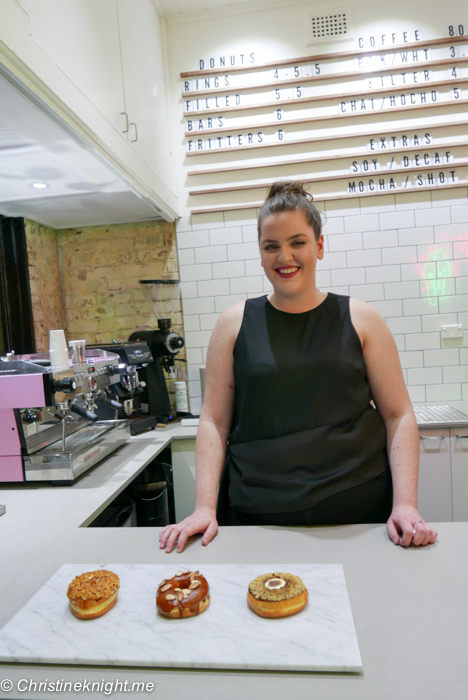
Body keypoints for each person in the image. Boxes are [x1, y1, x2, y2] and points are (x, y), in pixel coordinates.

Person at [160, 181, 437, 553]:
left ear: (319, 246)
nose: (284, 257)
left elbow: (398, 415)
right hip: (257, 517)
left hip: (358, 514)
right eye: (271, 246)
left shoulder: (361, 319)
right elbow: (213, 421)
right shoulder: (234, 324)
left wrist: (405, 504)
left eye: (297, 242)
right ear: (260, 254)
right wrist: (203, 508)